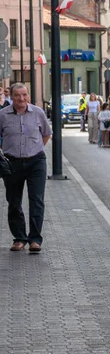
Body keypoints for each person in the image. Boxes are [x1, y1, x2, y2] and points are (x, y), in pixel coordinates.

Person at [0, 84, 52, 253]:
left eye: (24, 95)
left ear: (28, 95)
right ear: (11, 97)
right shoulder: (3, 115)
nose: (21, 99)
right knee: (14, 202)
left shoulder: (38, 112)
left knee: (36, 200)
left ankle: (35, 239)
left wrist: (34, 149)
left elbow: (46, 134)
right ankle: (20, 238)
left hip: (36, 162)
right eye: (17, 95)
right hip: (12, 163)